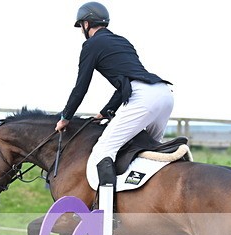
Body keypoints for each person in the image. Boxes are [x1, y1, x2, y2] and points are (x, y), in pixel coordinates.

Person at [55, 2, 174, 189]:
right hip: (164, 93)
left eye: (81, 27)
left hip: (143, 98)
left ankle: (109, 211)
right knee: (149, 151)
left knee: (102, 152)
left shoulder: (91, 45)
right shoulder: (123, 41)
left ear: (86, 24)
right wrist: (105, 112)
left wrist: (65, 117)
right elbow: (126, 81)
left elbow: (81, 87)